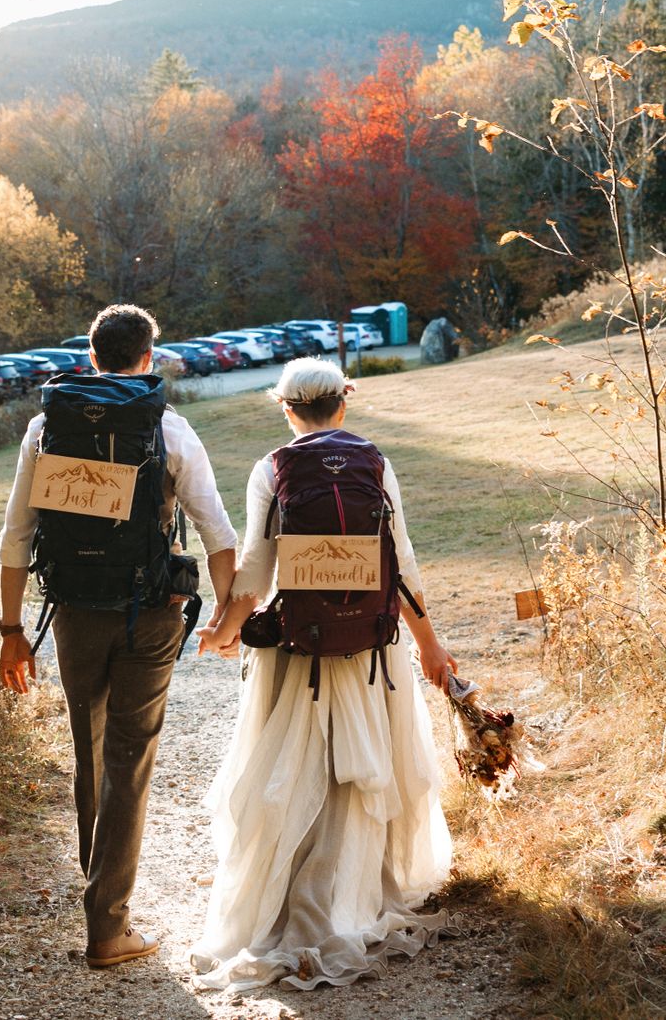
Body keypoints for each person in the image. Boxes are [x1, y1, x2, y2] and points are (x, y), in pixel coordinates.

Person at [191, 356, 456, 991]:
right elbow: (404, 564)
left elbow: (255, 570)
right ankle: (353, 893)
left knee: (297, 766)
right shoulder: (374, 461)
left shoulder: (271, 468)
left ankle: (293, 901)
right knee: (359, 770)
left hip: (299, 642)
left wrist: (225, 630)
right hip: (368, 643)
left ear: (286, 409)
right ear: (344, 402)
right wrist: (430, 646)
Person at [0, 304, 238, 969]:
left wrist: (13, 630)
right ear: (147, 358)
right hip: (151, 610)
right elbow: (218, 530)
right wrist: (223, 613)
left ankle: (102, 897)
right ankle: (108, 924)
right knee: (130, 762)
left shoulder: (47, 428)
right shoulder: (169, 427)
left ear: (93, 357)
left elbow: (16, 535)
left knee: (91, 752)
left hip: (73, 611)